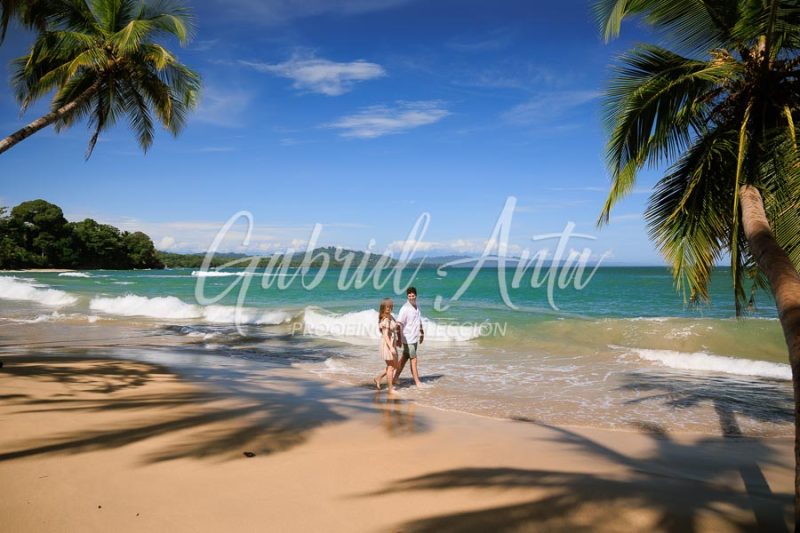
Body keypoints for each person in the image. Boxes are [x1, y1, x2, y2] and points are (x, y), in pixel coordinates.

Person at [394, 286, 424, 387]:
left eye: (413, 295)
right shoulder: (405, 308)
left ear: (416, 295)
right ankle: (417, 382)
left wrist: (422, 333)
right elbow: (398, 324)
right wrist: (398, 338)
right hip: (408, 338)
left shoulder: (417, 306)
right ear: (407, 296)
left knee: (404, 358)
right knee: (414, 359)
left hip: (414, 337)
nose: (411, 297)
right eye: (409, 295)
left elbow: (419, 320)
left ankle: (395, 378)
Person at [374, 297, 399, 395]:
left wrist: (397, 341)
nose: (388, 308)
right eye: (386, 307)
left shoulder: (391, 316)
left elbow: (393, 331)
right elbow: (385, 335)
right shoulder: (385, 319)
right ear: (383, 308)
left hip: (392, 343)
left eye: (390, 306)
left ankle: (378, 378)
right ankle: (390, 389)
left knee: (395, 365)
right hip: (387, 344)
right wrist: (391, 347)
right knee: (391, 367)